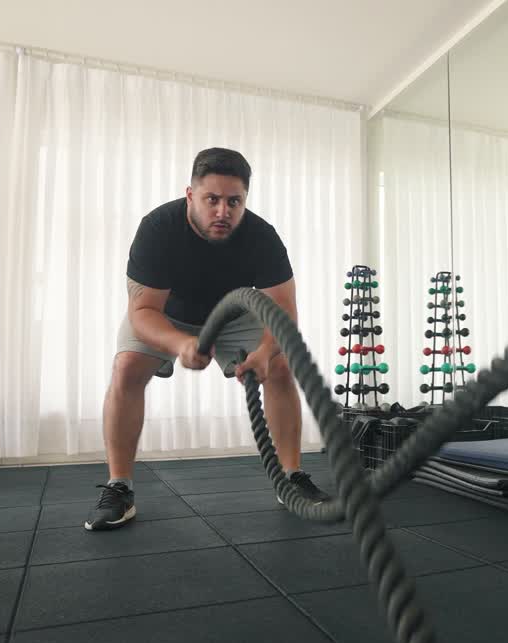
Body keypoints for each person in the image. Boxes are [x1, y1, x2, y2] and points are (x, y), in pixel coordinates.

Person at [85, 148, 329, 531]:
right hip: (164, 313)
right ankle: (119, 487)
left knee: (280, 366)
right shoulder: (158, 229)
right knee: (127, 366)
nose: (223, 211)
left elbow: (282, 310)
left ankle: (291, 478)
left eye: (234, 201)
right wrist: (181, 344)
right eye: (211, 199)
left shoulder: (261, 237)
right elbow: (142, 311)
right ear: (190, 195)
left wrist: (265, 352)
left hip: (234, 314)